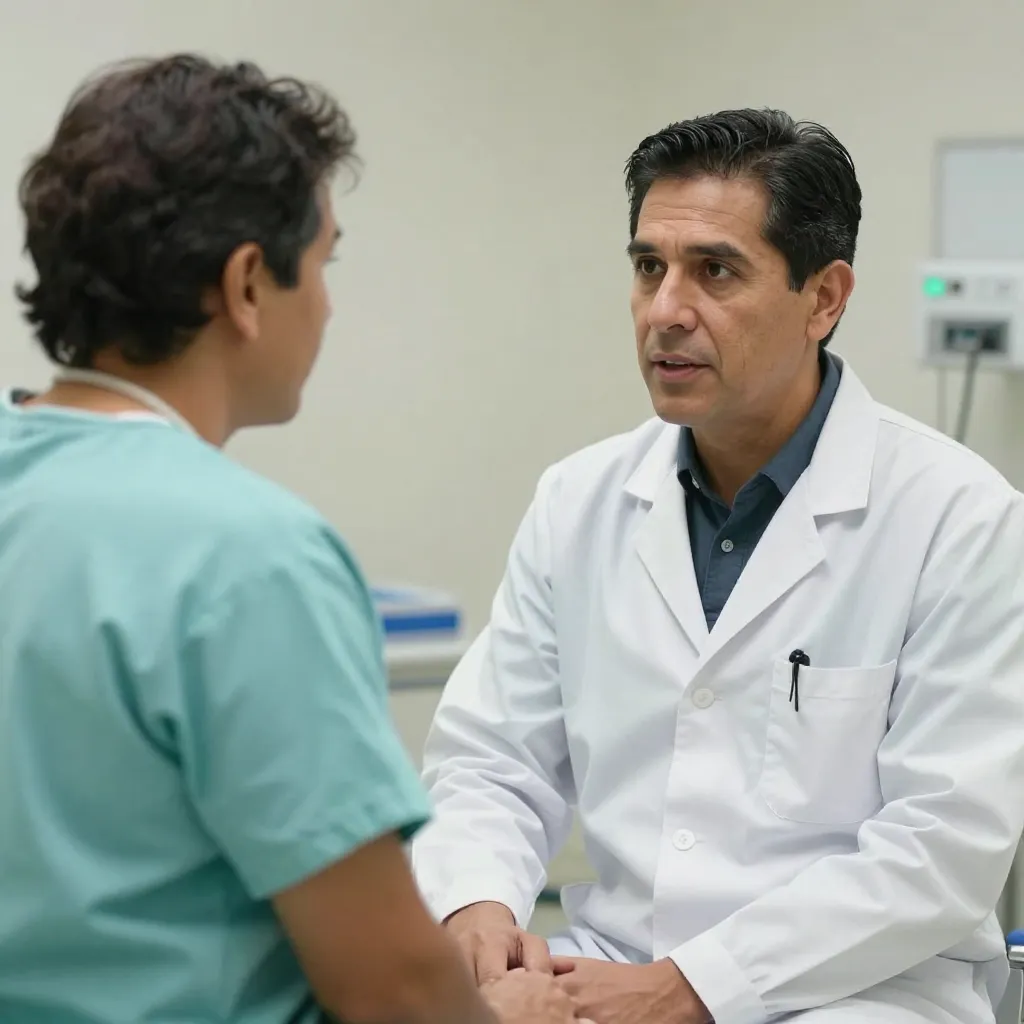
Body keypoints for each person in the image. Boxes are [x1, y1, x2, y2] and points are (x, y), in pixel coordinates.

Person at [0, 54, 589, 1024]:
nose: (324, 301)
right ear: (244, 285)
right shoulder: (246, 555)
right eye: (322, 264)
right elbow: (392, 987)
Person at [411, 108, 1024, 1024]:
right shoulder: (579, 499)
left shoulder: (960, 520)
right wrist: (478, 912)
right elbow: (492, 762)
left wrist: (691, 988)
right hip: (613, 963)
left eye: (715, 271)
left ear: (824, 297)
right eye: (648, 267)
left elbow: (943, 845)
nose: (665, 310)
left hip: (864, 993)